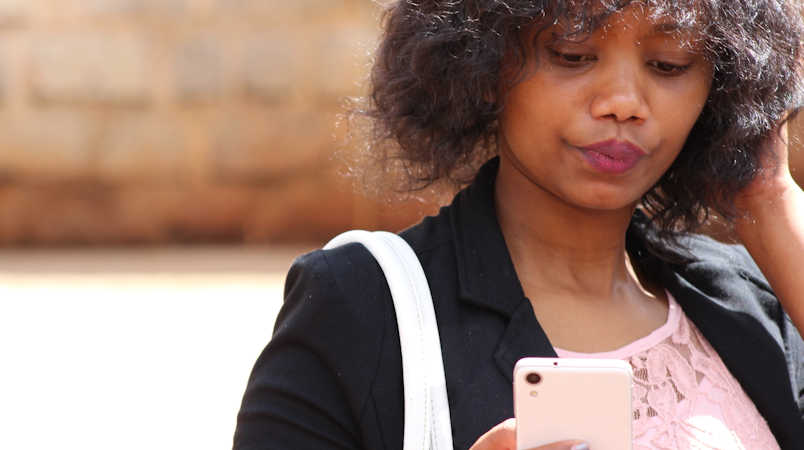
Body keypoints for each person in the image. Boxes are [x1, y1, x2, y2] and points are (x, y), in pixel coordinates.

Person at [234, 0, 804, 448]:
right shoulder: (360, 308)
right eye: (572, 53)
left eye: (669, 64)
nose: (624, 102)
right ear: (482, 63)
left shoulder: (752, 298)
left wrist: (772, 202)